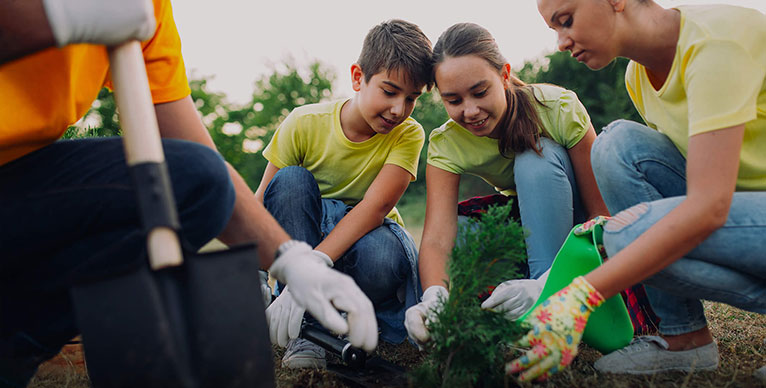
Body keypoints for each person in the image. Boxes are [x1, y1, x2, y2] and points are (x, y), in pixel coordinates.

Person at [0, 0, 377, 385]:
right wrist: (60, 15)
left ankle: (12, 345)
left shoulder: (148, 9)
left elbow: (203, 163)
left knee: (197, 179)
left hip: (20, 186)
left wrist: (292, 260)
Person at [508, 0, 766, 381]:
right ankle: (685, 339)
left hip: (735, 209)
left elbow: (709, 205)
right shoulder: (638, 77)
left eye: (566, 21)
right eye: (554, 30)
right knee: (616, 145)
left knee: (628, 234)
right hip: (744, 213)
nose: (562, 42)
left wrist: (580, 295)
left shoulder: (716, 43)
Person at [404, 22, 609, 347]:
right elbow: (438, 239)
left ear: (504, 74)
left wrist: (552, 282)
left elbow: (601, 216)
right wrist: (434, 296)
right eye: (453, 100)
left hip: (577, 233)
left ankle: (547, 299)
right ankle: (513, 297)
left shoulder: (557, 108)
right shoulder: (446, 142)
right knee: (463, 232)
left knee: (534, 161)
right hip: (528, 224)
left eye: (480, 92)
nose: (470, 111)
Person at [256, 19, 432, 369]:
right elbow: (262, 201)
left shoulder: (408, 134)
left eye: (411, 98)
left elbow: (375, 208)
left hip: (365, 242)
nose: (399, 109)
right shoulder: (303, 123)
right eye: (389, 91)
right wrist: (258, 274)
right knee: (290, 180)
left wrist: (315, 265)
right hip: (305, 235)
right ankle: (311, 330)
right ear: (357, 77)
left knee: (385, 253)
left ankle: (331, 312)